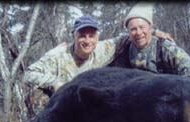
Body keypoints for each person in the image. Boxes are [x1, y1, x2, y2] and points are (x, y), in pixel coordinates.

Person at [24, 15, 173, 95]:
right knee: (37, 98)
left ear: (97, 37)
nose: (87, 41)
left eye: (92, 35)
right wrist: (55, 84)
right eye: (82, 35)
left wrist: (153, 32)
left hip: (84, 100)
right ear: (73, 36)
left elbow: (129, 35)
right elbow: (29, 74)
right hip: (59, 100)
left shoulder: (103, 49)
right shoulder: (58, 55)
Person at [109, 3, 190, 87]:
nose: (138, 32)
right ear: (128, 32)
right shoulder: (123, 49)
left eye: (142, 27)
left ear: (150, 28)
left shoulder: (165, 49)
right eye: (133, 29)